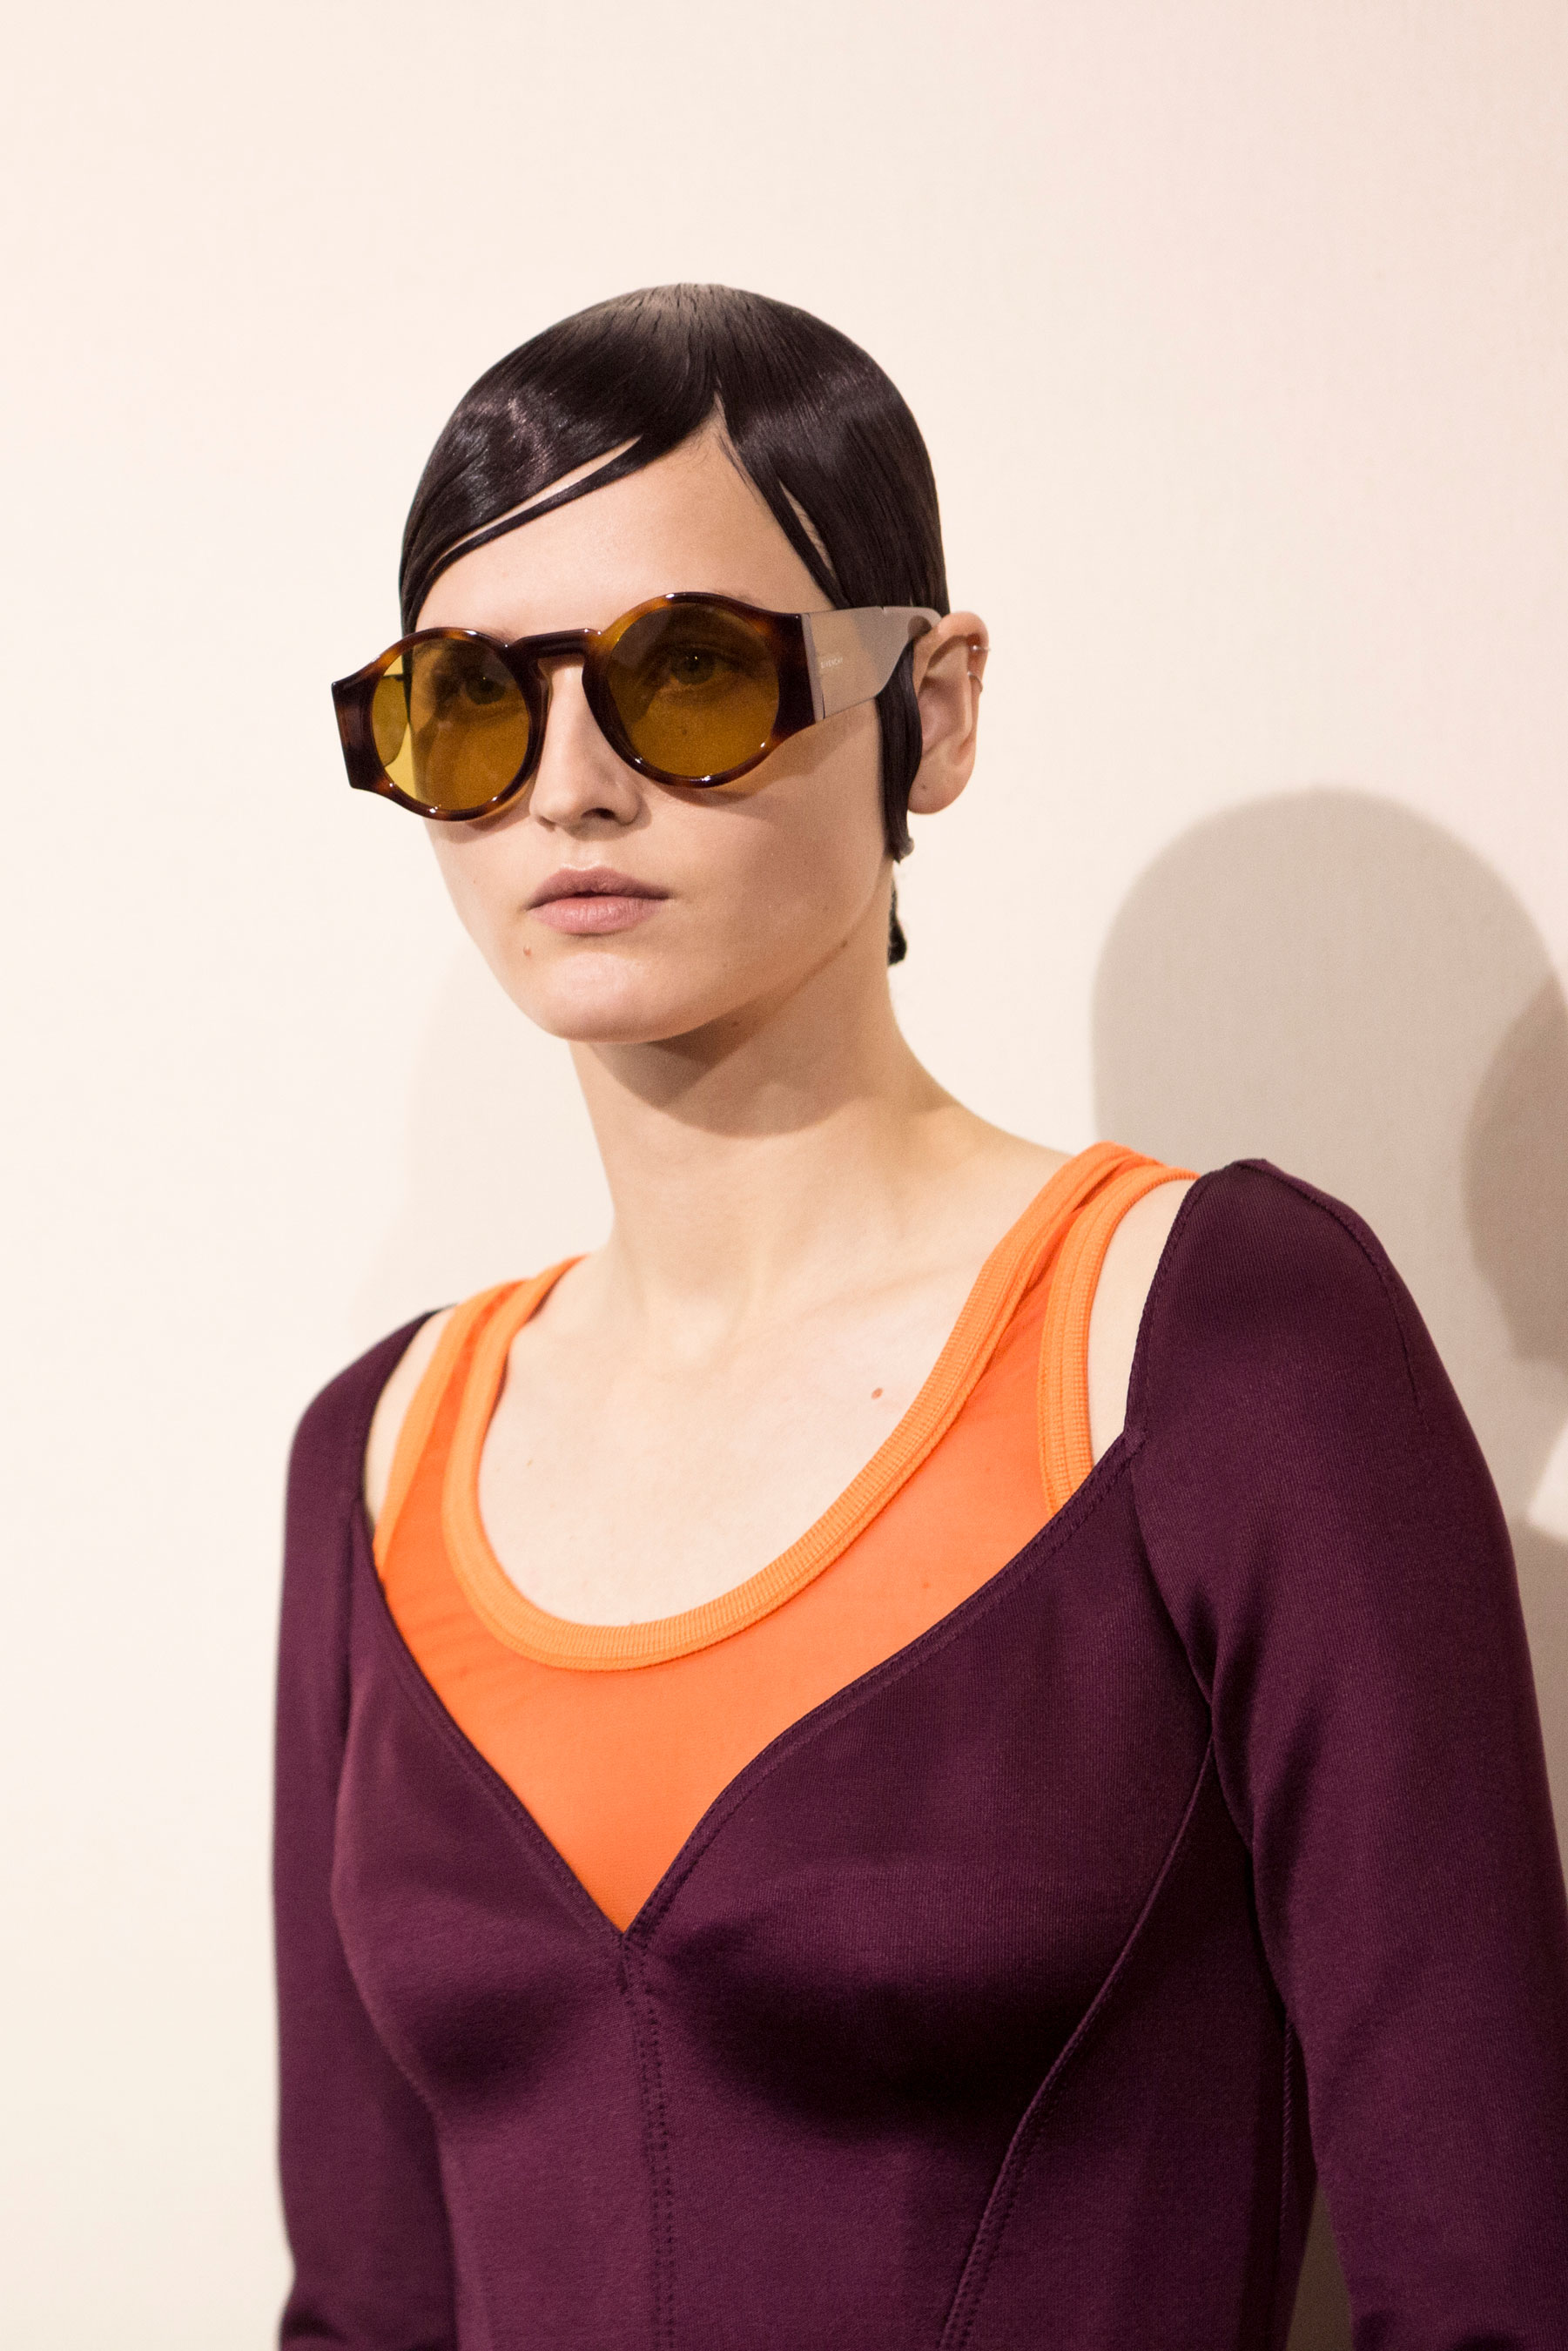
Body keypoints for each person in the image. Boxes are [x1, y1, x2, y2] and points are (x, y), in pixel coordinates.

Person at [274, 284, 1568, 2349]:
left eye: (686, 673)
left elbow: (1494, 2287)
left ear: (934, 711)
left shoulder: (1216, 1343)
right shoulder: (381, 1449)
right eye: (469, 705)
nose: (570, 789)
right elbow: (363, 2311)